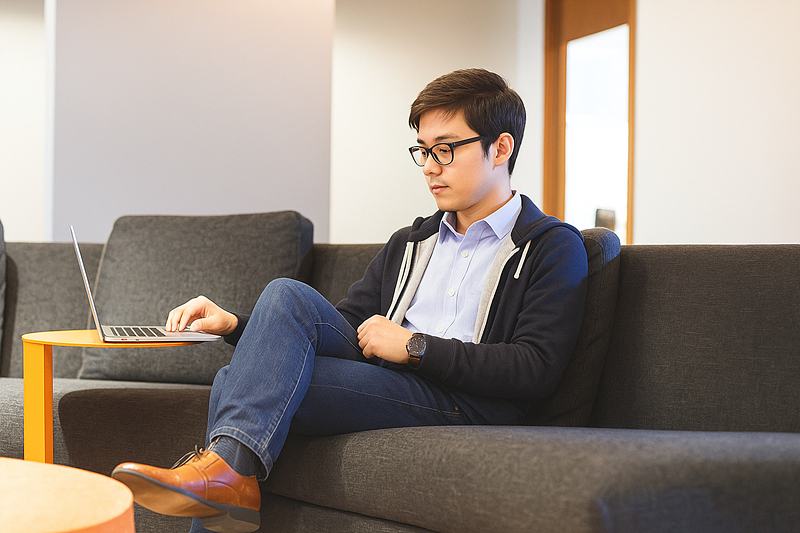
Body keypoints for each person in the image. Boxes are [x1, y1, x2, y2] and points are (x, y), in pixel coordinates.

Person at [111, 68, 589, 533]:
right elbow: (332, 327)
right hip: (385, 377)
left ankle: (225, 481)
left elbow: (535, 368)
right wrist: (236, 326)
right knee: (285, 296)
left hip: (467, 401)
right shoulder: (413, 240)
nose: (428, 167)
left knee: (234, 383)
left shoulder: (549, 245)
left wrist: (415, 347)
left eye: (444, 150)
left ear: (500, 147)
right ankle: (228, 480)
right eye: (422, 151)